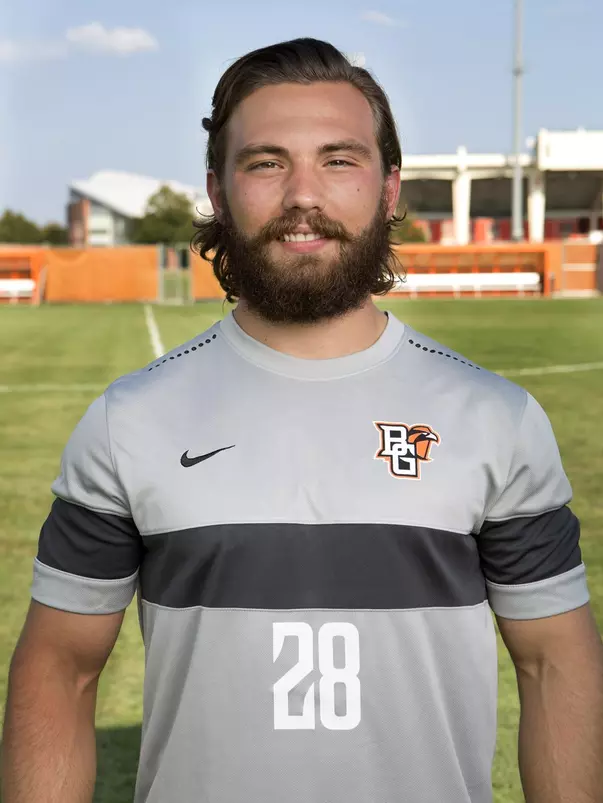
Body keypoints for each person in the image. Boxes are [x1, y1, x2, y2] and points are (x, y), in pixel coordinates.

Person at [2, 37, 602, 803]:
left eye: (338, 159)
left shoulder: (496, 420)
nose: (302, 195)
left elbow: (555, 663)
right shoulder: (127, 422)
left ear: (388, 189)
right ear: (218, 190)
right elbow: (60, 667)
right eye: (266, 162)